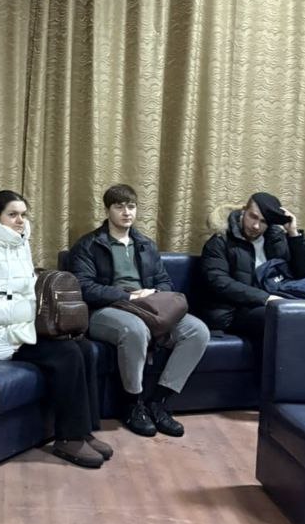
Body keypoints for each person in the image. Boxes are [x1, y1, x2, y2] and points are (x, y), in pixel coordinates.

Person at [0, 190, 109, 469]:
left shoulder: (20, 245)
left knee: (84, 347)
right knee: (66, 353)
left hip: (23, 329)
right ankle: (68, 439)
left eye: (23, 214)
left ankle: (84, 430)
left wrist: (38, 308)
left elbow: (27, 290)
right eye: (12, 215)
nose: (20, 220)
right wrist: (36, 309)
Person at [68, 184, 209, 438]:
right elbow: (84, 287)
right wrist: (129, 296)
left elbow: (164, 281)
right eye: (119, 207)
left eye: (131, 206)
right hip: (106, 310)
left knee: (197, 331)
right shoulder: (88, 245)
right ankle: (132, 404)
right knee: (134, 329)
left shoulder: (145, 244)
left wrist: (153, 294)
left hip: (148, 307)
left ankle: (158, 402)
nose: (126, 212)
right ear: (107, 210)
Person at [200, 190, 305, 362]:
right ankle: (278, 377)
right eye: (253, 217)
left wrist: (293, 234)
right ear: (243, 211)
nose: (256, 226)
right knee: (278, 318)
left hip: (274, 302)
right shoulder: (220, 240)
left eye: (263, 221)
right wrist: (265, 298)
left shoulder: (275, 239)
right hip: (233, 311)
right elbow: (219, 282)